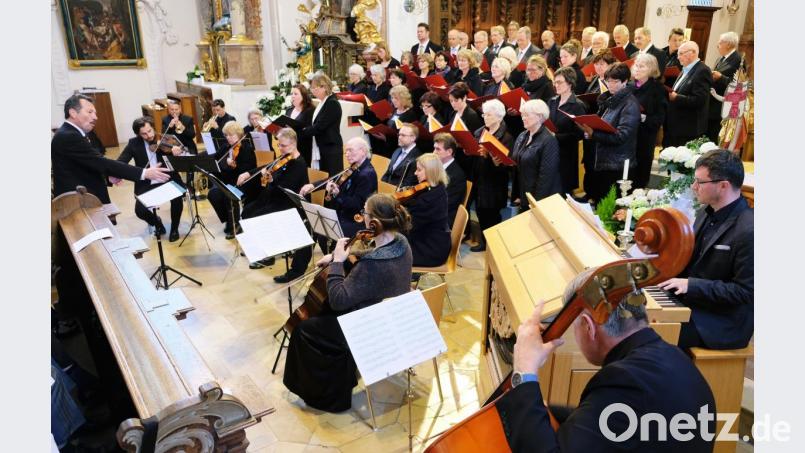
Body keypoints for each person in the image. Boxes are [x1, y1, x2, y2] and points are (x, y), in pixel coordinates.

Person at [496, 297, 716, 451]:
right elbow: (606, 424)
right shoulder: (676, 358)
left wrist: (524, 373)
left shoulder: (624, 381)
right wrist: (540, 409)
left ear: (588, 326)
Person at [283, 193, 413, 413]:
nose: (361, 216)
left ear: (374, 223)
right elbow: (374, 252)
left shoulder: (372, 267)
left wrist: (337, 265)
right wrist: (343, 256)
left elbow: (339, 300)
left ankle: (324, 395)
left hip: (368, 326)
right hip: (391, 315)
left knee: (304, 329)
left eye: (365, 212)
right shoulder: (401, 243)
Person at [658, 149, 753, 350]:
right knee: (634, 316)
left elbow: (745, 292)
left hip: (720, 321)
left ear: (723, 185)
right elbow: (690, 259)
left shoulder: (750, 230)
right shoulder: (706, 212)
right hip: (691, 304)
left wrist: (691, 285)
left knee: (652, 337)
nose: (694, 187)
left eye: (700, 182)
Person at [52, 94, 170, 204]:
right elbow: (99, 162)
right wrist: (144, 173)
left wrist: (107, 178)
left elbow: (87, 165)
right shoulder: (68, 136)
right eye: (90, 112)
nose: (95, 117)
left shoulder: (71, 133)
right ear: (73, 112)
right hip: (78, 202)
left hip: (84, 196)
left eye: (95, 113)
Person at [235, 128, 309, 274]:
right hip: (274, 198)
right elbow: (266, 166)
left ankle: (268, 256)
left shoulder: (299, 163)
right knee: (248, 210)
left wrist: (272, 179)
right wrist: (248, 173)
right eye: (279, 145)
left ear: (293, 144)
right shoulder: (284, 157)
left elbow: (288, 186)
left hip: (287, 203)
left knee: (259, 215)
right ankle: (258, 247)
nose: (280, 148)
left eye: (283, 145)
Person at [116, 117, 186, 241]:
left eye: (150, 131)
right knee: (140, 211)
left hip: (167, 177)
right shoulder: (134, 143)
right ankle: (157, 223)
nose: (149, 136)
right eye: (144, 133)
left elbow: (186, 152)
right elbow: (121, 162)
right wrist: (117, 173)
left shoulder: (166, 139)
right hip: (146, 181)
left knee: (177, 198)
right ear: (138, 134)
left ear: (153, 128)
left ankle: (174, 228)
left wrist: (179, 152)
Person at [579, 62, 640, 202]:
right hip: (605, 161)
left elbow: (621, 136)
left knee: (611, 208)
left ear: (625, 81)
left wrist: (594, 134)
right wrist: (590, 132)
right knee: (602, 204)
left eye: (615, 81)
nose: (610, 85)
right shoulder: (610, 99)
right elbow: (603, 125)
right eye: (608, 81)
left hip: (617, 164)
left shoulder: (630, 104)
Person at [300, 136, 378, 238]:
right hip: (344, 213)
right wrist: (313, 185)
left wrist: (338, 194)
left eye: (350, 150)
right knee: (312, 224)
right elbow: (334, 179)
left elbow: (357, 205)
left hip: (355, 219)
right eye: (346, 152)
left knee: (320, 229)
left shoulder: (367, 175)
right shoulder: (355, 167)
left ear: (363, 151)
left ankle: (335, 252)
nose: (347, 154)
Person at [471, 100, 513, 251]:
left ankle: (493, 245)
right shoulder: (480, 132)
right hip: (480, 178)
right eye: (484, 114)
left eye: (488, 114)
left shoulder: (506, 137)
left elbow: (507, 165)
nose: (485, 117)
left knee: (492, 214)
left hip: (495, 182)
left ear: (499, 116)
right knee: (481, 211)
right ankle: (484, 241)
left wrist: (492, 159)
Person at [207, 121, 257, 238]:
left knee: (227, 195)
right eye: (226, 135)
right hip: (228, 181)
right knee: (212, 194)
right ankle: (229, 221)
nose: (228, 138)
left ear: (239, 135)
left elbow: (248, 170)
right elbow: (215, 159)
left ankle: (235, 224)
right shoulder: (226, 147)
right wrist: (225, 162)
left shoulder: (247, 149)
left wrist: (235, 166)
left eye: (231, 135)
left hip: (243, 183)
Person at [510, 99, 561, 211]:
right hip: (524, 196)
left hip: (539, 200)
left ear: (539, 116)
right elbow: (517, 167)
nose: (523, 118)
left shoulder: (549, 140)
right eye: (522, 115)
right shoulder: (522, 135)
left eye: (527, 115)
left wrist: (535, 203)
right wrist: (517, 194)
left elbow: (546, 176)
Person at [405, 153, 452, 267]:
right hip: (425, 239)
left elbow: (410, 225)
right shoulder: (433, 188)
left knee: (389, 253)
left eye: (419, 170)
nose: (415, 173)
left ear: (430, 172)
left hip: (430, 250)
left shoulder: (431, 199)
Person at [664, 41, 712, 147]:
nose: (678, 57)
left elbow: (699, 100)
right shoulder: (685, 69)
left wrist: (677, 97)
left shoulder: (702, 71)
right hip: (676, 125)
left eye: (681, 54)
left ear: (693, 53)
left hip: (688, 128)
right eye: (678, 54)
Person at [631, 53, 668, 189]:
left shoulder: (658, 89)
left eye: (642, 66)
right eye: (636, 65)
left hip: (644, 138)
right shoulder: (630, 86)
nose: (637, 69)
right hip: (629, 137)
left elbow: (660, 118)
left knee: (639, 177)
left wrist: (644, 118)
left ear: (651, 69)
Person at [547, 67, 586, 195]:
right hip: (550, 152)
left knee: (563, 192)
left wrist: (556, 136)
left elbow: (579, 134)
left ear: (570, 83)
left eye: (559, 82)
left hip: (566, 155)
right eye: (554, 82)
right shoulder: (552, 101)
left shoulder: (578, 105)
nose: (555, 85)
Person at [301, 73, 343, 175]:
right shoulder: (323, 102)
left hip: (331, 149)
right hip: (324, 147)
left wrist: (303, 131)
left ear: (324, 87)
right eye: (312, 88)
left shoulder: (332, 103)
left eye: (315, 88)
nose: (312, 91)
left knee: (332, 179)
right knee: (324, 177)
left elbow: (320, 126)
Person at [708, 31, 742, 143]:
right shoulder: (720, 58)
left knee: (715, 136)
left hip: (723, 106)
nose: (718, 44)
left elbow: (739, 85)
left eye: (720, 42)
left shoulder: (739, 60)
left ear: (728, 44)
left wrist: (721, 77)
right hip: (712, 103)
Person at [432, 133, 467, 227]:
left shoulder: (457, 175)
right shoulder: (434, 166)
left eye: (438, 149)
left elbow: (447, 204)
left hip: (443, 218)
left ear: (449, 152)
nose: (434, 152)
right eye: (434, 148)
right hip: (432, 210)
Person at [381, 123, 422, 187]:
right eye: (399, 134)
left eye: (403, 135)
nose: (399, 137)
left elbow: (408, 183)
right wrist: (381, 185)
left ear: (413, 138)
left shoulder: (417, 158)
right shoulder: (397, 151)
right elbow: (388, 173)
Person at [284, 84, 315, 166]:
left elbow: (310, 130)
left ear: (303, 96)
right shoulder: (289, 110)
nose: (292, 96)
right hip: (288, 148)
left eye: (296, 94)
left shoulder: (309, 111)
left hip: (303, 148)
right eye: (291, 94)